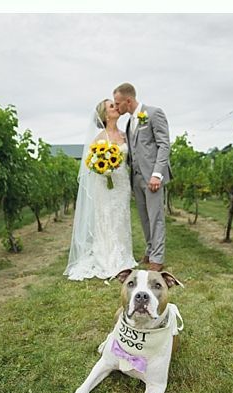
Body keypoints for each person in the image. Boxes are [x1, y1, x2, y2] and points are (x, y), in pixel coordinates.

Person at [64, 99, 138, 280]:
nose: (116, 107)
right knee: (105, 217)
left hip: (121, 183)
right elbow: (90, 164)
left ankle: (123, 255)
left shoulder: (124, 135)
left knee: (121, 217)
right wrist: (103, 170)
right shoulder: (98, 138)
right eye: (111, 106)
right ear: (105, 115)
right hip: (104, 185)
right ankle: (106, 258)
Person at [113, 83, 171, 272]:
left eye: (118, 103)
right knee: (144, 217)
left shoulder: (154, 113)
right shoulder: (130, 122)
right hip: (136, 178)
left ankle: (158, 258)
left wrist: (157, 174)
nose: (116, 106)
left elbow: (164, 145)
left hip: (152, 177)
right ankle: (150, 249)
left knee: (156, 218)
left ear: (128, 101)